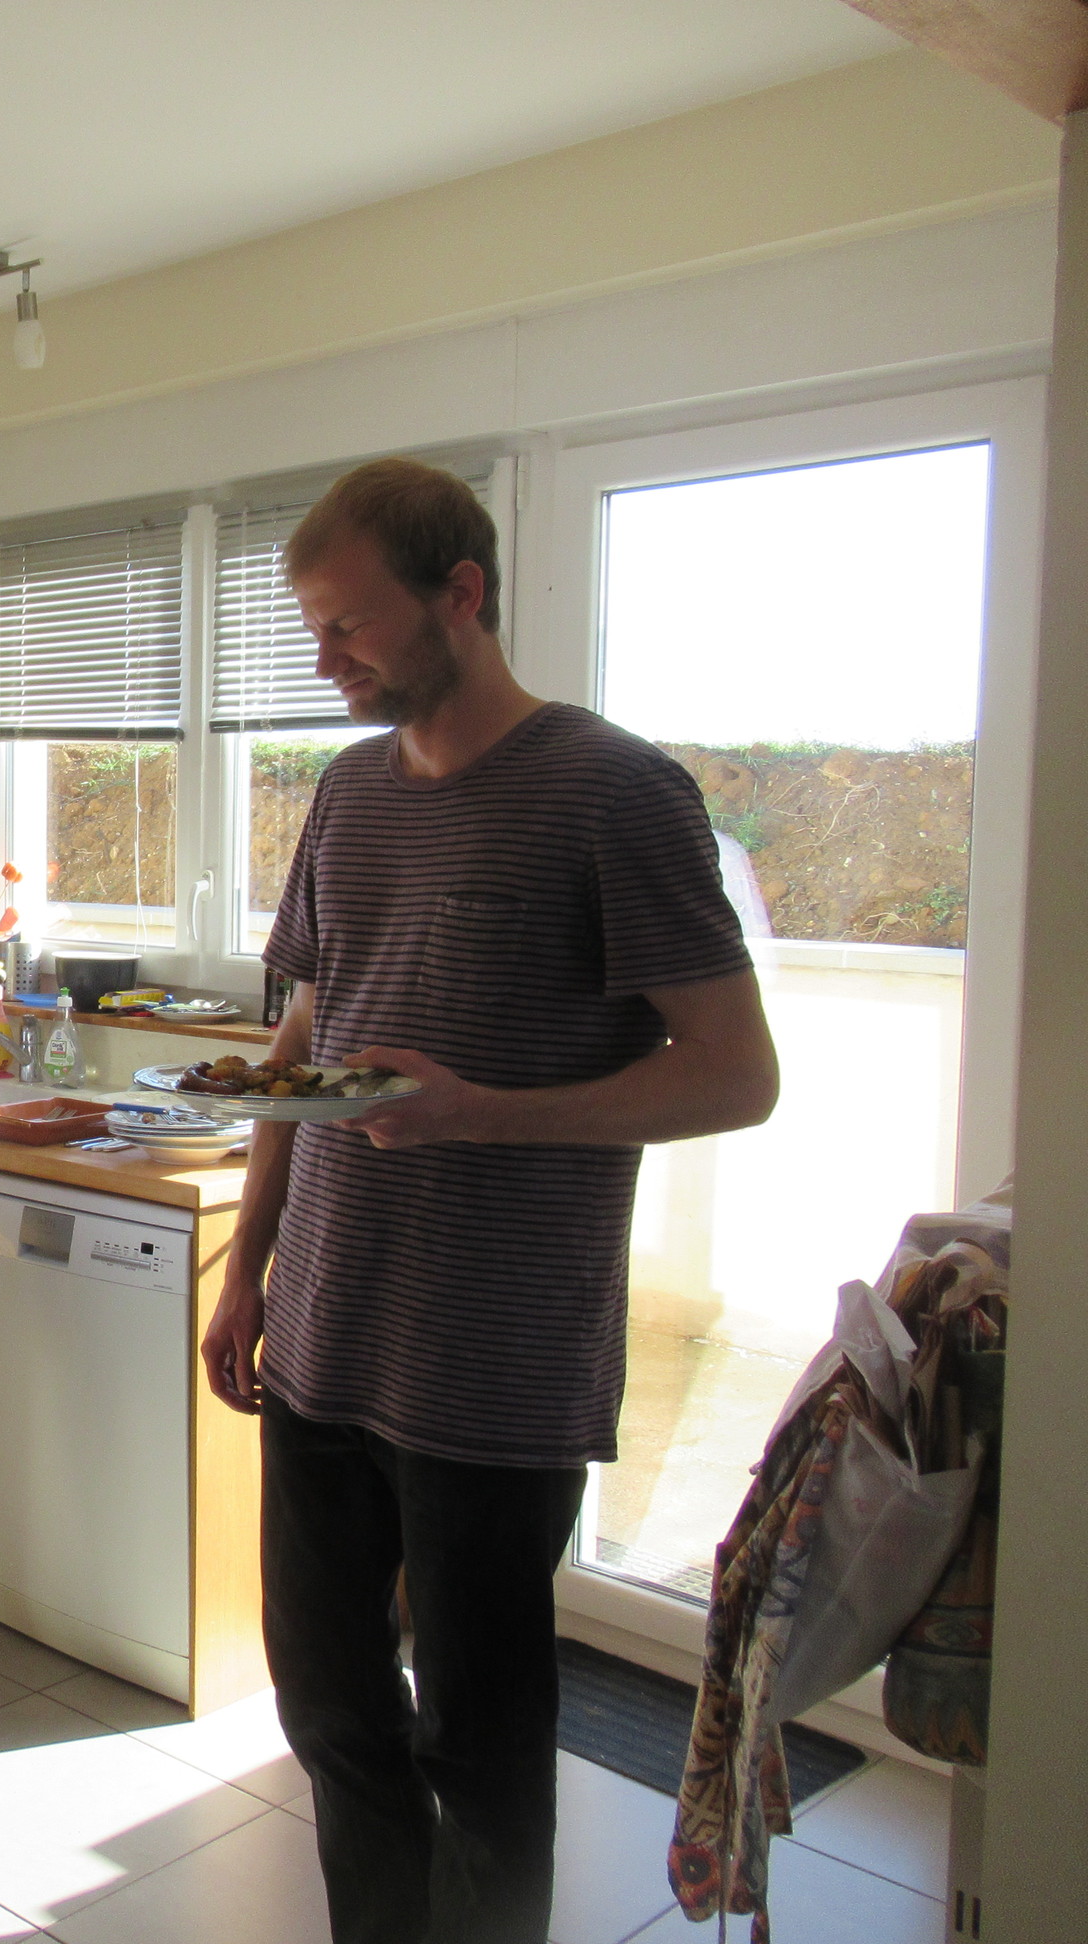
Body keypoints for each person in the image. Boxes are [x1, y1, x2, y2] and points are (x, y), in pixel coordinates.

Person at [199, 458, 778, 1944]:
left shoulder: (615, 792)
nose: (324, 662)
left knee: (482, 1750)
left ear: (460, 594)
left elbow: (735, 1074)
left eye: (347, 627)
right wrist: (249, 1265)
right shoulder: (347, 796)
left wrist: (484, 1111)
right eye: (312, 631)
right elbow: (304, 1041)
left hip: (497, 1365)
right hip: (324, 1335)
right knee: (330, 1711)